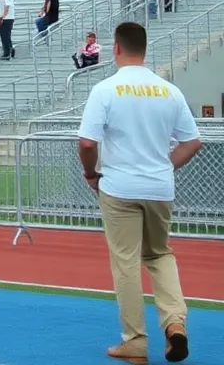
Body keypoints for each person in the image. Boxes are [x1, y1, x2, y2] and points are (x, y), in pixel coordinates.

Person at [77, 22, 201, 363]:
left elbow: (87, 142)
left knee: (126, 262)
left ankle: (135, 341)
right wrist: (164, 166)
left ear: (116, 49)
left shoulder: (105, 90)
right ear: (144, 50)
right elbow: (192, 142)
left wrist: (91, 173)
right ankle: (175, 323)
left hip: (119, 186)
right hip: (159, 187)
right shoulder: (169, 91)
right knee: (160, 254)